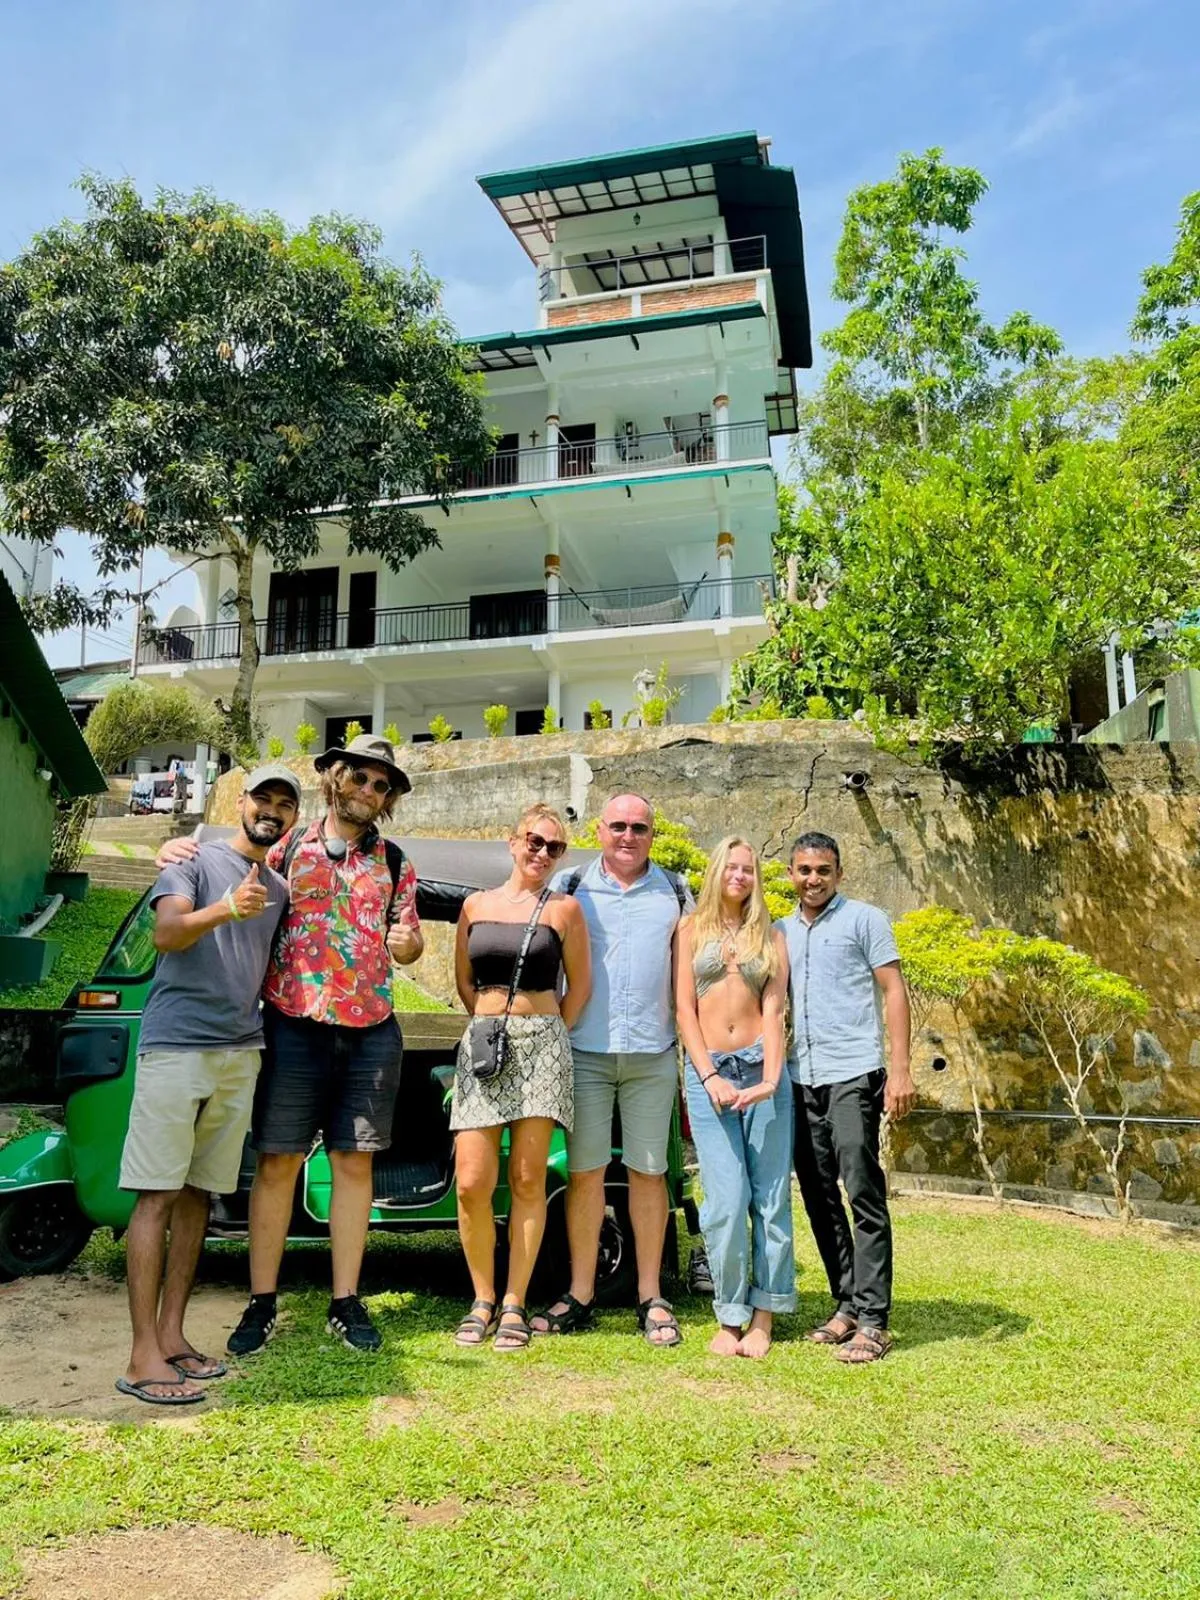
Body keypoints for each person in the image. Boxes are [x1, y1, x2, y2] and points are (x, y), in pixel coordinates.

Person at [158, 733, 423, 1356]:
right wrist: (178, 845)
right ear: (335, 778)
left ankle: (345, 1300)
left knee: (355, 1164)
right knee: (278, 1162)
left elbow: (406, 936)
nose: (370, 791)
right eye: (361, 777)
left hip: (370, 1028)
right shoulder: (284, 846)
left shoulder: (395, 862)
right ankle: (262, 1301)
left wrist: (411, 946)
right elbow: (222, 861)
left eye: (382, 785)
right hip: (292, 1020)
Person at [116, 767, 298, 1405]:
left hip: (238, 1052)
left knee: (200, 1198)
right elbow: (166, 934)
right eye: (263, 800)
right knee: (156, 1197)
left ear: (292, 819)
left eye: (284, 805)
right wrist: (227, 907)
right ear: (241, 805)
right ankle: (141, 1357)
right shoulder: (191, 862)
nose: (271, 811)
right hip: (177, 1046)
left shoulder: (279, 884)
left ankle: (172, 1337)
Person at [531, 792, 693, 1347]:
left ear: (652, 833)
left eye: (640, 828)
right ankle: (581, 1292)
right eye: (618, 826)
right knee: (585, 1175)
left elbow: (691, 969)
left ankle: (651, 1294)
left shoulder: (675, 891)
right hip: (584, 1050)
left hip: (652, 1053)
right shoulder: (570, 886)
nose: (628, 836)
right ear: (600, 830)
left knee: (651, 1175)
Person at [450, 804, 591, 1351]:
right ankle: (481, 1296)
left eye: (554, 848)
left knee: (529, 1179)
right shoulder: (475, 906)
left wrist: (548, 1030)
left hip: (542, 1046)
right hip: (486, 1044)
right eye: (534, 841)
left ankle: (513, 1301)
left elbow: (578, 987)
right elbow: (464, 979)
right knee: (472, 1180)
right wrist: (490, 1023)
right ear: (512, 842)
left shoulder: (565, 910)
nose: (542, 853)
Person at [780, 831, 915, 1364]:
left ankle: (875, 1319)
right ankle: (847, 1305)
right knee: (817, 1194)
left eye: (824, 870)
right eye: (804, 869)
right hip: (800, 1077)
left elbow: (894, 990)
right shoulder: (780, 931)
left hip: (853, 1074)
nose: (813, 879)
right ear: (791, 873)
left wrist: (900, 1068)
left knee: (862, 1192)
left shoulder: (866, 920)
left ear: (839, 873)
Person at [674, 837, 793, 1358]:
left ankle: (764, 1315)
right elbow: (683, 1010)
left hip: (761, 1073)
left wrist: (768, 1080)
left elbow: (774, 1012)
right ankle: (729, 1315)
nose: (740, 876)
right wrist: (708, 1077)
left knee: (770, 1199)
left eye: (749, 869)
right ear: (717, 869)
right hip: (710, 1076)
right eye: (733, 866)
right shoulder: (690, 929)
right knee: (725, 1202)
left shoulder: (770, 936)